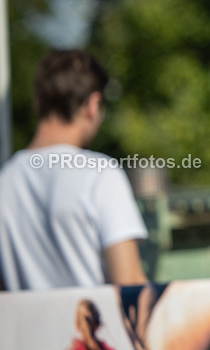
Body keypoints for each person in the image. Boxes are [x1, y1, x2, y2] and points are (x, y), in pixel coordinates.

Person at [0, 49, 147, 291]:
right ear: (93, 104)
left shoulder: (5, 181)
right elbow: (130, 288)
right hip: (91, 328)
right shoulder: (100, 175)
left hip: (23, 329)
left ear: (38, 104)